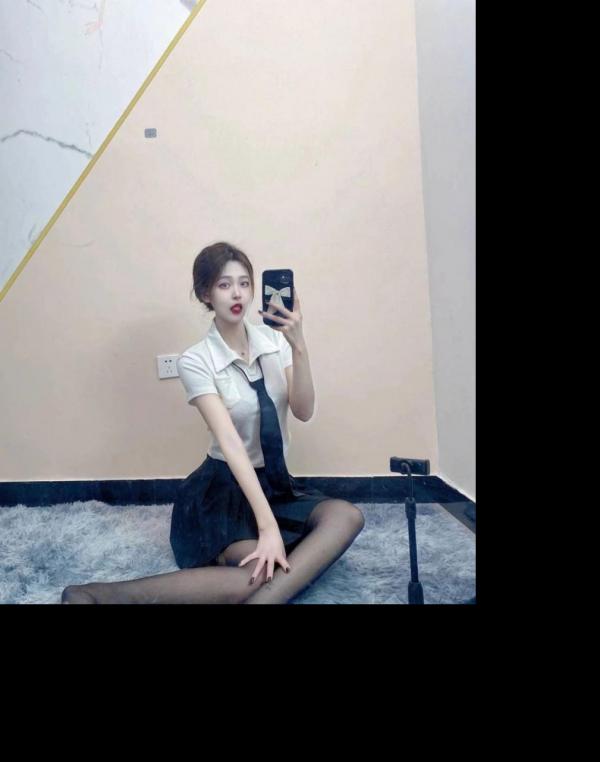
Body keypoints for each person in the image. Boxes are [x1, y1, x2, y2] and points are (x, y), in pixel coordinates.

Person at [61, 242, 365, 604]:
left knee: (347, 516)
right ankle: (96, 595)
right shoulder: (196, 360)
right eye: (224, 285)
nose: (237, 294)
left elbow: (303, 410)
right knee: (261, 571)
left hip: (276, 485)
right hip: (223, 490)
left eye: (244, 283)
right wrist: (267, 528)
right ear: (206, 294)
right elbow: (231, 442)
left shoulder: (275, 340)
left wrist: (298, 345)